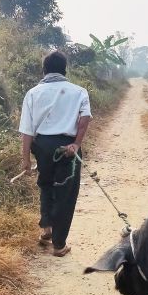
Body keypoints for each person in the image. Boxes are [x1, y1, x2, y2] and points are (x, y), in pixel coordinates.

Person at [19, 50, 92, 257]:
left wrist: (25, 159)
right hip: (67, 148)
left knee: (46, 184)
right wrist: (76, 144)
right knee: (65, 193)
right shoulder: (79, 91)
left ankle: (47, 229)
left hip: (42, 146)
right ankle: (59, 245)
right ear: (64, 70)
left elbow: (27, 130)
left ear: (44, 70)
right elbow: (84, 119)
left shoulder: (33, 93)